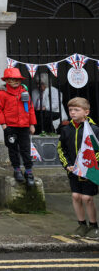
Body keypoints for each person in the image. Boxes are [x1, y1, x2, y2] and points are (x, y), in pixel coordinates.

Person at [57, 97, 99, 239]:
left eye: (76, 110)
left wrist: (88, 164)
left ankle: (93, 226)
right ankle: (82, 225)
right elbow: (61, 149)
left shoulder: (94, 129)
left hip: (89, 170)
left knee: (87, 198)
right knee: (76, 196)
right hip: (73, 170)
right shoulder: (66, 130)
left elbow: (97, 150)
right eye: (70, 110)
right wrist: (67, 164)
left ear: (86, 112)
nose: (72, 113)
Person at [0, 67, 37, 186]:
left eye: (17, 79)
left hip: (24, 126)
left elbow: (30, 108)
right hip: (10, 127)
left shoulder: (24, 92)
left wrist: (32, 124)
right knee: (13, 149)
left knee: (25, 149)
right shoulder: (2, 94)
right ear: (7, 80)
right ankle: (17, 170)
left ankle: (28, 172)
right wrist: (4, 125)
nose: (15, 81)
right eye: (12, 79)